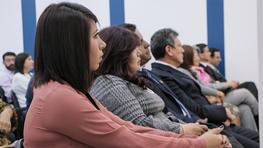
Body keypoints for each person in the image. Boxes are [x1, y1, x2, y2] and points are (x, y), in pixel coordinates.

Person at [23, 2, 231, 148]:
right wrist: (197, 143)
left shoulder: (67, 91)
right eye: (95, 36)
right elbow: (128, 139)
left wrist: (189, 138)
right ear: (72, 46)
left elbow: (127, 128)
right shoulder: (60, 97)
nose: (102, 43)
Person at [90, 26, 210, 136]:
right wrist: (183, 130)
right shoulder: (109, 83)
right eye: (134, 48)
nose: (139, 53)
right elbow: (139, 124)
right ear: (120, 53)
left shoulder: (127, 80)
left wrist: (189, 127)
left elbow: (164, 115)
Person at [149, 28, 259, 148]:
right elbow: (190, 107)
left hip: (214, 120)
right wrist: (223, 112)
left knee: (253, 129)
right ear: (169, 50)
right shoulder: (164, 75)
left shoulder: (172, 72)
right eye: (179, 46)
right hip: (208, 125)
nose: (183, 50)